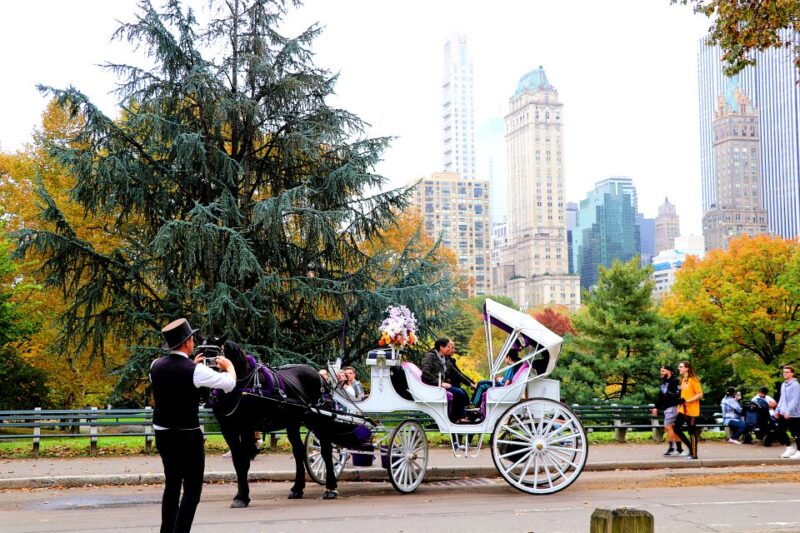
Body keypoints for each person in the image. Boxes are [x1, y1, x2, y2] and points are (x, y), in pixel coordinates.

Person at [150, 318, 236, 533]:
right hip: (187, 437)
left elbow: (174, 385)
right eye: (191, 339)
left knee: (172, 485)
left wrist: (192, 365)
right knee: (192, 490)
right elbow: (229, 384)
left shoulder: (155, 366)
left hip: (163, 434)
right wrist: (229, 366)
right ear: (187, 342)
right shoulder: (195, 371)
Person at [421, 337, 476, 423]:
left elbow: (456, 373)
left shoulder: (445, 358)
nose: (450, 349)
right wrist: (440, 383)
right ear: (441, 347)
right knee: (459, 393)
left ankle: (461, 416)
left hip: (440, 384)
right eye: (448, 346)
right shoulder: (431, 356)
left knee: (462, 391)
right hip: (432, 385)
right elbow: (425, 374)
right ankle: (455, 419)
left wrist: (470, 384)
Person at [651, 365, 683, 456]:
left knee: (667, 426)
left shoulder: (675, 381)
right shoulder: (663, 383)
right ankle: (679, 450)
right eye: (661, 371)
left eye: (663, 371)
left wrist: (679, 406)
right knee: (673, 429)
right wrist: (656, 407)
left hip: (673, 407)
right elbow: (660, 396)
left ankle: (672, 449)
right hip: (667, 408)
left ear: (669, 372)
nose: (661, 373)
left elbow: (680, 395)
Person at [674, 360, 703, 460]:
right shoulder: (683, 380)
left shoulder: (693, 380)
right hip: (683, 410)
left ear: (687, 368)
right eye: (679, 366)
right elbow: (682, 396)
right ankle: (691, 447)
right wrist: (679, 407)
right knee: (676, 428)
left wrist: (688, 401)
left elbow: (700, 394)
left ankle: (694, 454)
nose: (679, 368)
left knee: (692, 431)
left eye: (681, 367)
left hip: (692, 410)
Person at [774, 365, 800, 459]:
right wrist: (777, 410)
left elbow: (795, 400)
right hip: (783, 412)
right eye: (784, 372)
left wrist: (788, 411)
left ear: (792, 373)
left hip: (794, 414)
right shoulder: (783, 384)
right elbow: (782, 398)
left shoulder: (795, 385)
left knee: (796, 433)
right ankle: (789, 448)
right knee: (779, 431)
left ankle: (799, 451)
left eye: (787, 372)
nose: (784, 374)